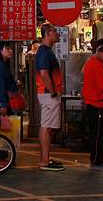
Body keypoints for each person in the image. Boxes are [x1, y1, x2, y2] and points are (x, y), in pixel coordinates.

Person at [35, 23, 64, 171]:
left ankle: (45, 159)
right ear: (47, 33)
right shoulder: (44, 52)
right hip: (48, 93)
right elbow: (44, 73)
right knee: (46, 126)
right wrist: (52, 90)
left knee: (48, 126)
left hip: (49, 93)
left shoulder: (46, 51)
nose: (57, 33)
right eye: (55, 31)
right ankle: (45, 161)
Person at [82, 44, 103, 172]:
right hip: (98, 103)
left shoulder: (92, 62)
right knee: (98, 135)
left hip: (94, 103)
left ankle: (98, 159)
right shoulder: (96, 64)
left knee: (97, 134)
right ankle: (96, 162)